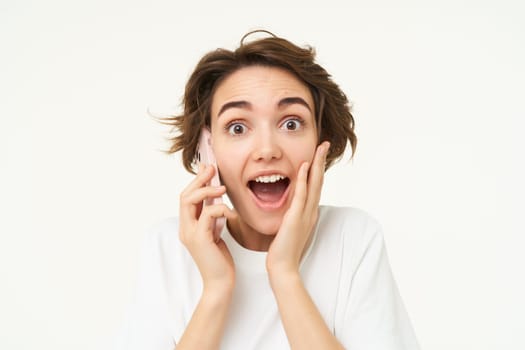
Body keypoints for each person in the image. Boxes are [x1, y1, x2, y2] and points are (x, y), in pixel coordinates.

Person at [116, 30, 420, 349]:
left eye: (291, 123)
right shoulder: (169, 248)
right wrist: (216, 289)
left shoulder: (352, 237)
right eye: (237, 127)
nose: (267, 150)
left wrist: (284, 273)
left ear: (321, 141)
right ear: (208, 148)